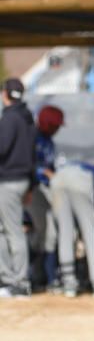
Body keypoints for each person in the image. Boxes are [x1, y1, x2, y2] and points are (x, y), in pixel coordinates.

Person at [0, 78, 35, 298]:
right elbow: (32, 154)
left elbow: (1, 148)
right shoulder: (28, 118)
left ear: (5, 94)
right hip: (22, 180)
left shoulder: (10, 118)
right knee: (7, 230)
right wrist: (32, 184)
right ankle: (10, 278)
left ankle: (18, 282)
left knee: (11, 232)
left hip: (8, 181)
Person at [50, 160, 94, 297]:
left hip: (57, 178)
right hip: (80, 180)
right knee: (91, 232)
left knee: (65, 233)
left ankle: (68, 284)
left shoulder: (77, 164)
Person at [28, 104, 63, 290]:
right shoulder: (33, 138)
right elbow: (30, 164)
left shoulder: (49, 141)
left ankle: (47, 277)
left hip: (48, 190)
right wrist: (45, 172)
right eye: (55, 125)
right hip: (34, 190)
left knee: (50, 233)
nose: (57, 129)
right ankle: (34, 273)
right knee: (43, 231)